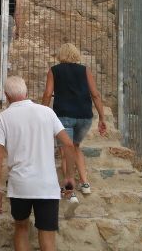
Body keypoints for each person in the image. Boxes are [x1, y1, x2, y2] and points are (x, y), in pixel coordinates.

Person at [0, 76, 75, 251]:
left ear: (7, 96)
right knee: (48, 242)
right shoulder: (47, 113)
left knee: (21, 228)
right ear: (26, 92)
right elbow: (67, 143)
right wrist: (69, 177)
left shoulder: (3, 118)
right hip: (46, 186)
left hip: (20, 186)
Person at [41, 43, 107, 202]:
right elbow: (96, 95)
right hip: (84, 117)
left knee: (65, 152)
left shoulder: (54, 70)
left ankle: (70, 190)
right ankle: (85, 183)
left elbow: (48, 93)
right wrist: (102, 118)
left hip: (64, 116)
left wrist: (42, 112)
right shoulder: (85, 70)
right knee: (76, 147)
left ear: (60, 55)